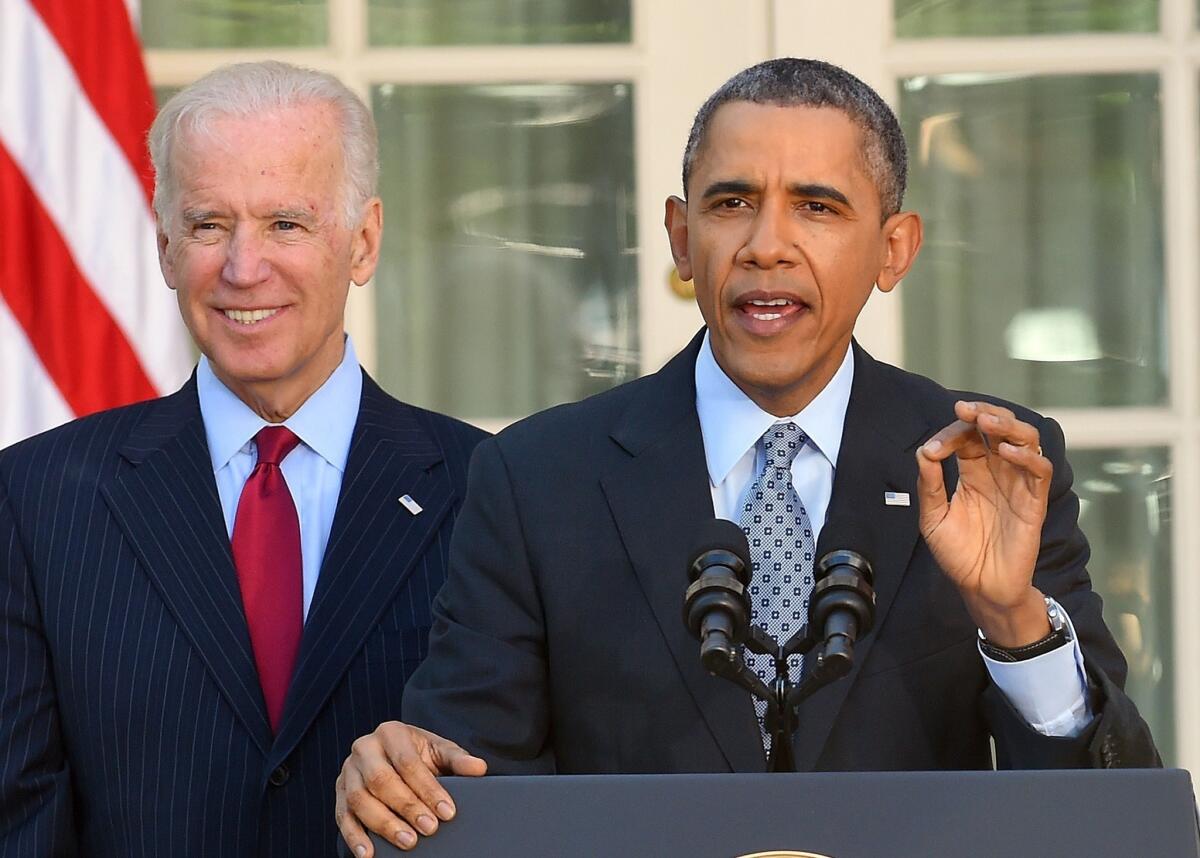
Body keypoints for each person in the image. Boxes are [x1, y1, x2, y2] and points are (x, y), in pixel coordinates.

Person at [334, 58, 1160, 855]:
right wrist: (399, 780)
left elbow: (1099, 813)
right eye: (732, 203)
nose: (768, 244)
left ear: (894, 249)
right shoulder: (536, 478)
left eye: (818, 207)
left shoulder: (984, 465)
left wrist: (1012, 621)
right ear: (682, 237)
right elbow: (464, 797)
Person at [0, 61, 486, 857]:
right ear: (164, 249)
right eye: (208, 226)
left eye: (285, 224)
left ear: (362, 242)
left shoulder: (490, 492)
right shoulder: (34, 501)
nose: (243, 268)